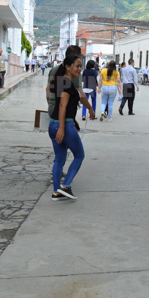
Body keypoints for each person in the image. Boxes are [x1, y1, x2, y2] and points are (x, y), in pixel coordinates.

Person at [49, 54, 89, 201]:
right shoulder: (66, 82)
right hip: (63, 125)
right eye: (77, 66)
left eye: (80, 66)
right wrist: (62, 128)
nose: (80, 69)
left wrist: (71, 120)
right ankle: (65, 186)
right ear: (67, 67)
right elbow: (62, 106)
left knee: (59, 159)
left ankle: (56, 192)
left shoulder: (63, 81)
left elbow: (66, 105)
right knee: (79, 155)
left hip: (53, 124)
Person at [46, 45, 96, 123]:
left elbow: (48, 90)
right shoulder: (73, 72)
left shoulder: (54, 69)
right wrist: (90, 108)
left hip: (53, 110)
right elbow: (80, 94)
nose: (79, 68)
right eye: (79, 57)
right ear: (75, 55)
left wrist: (51, 105)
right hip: (64, 112)